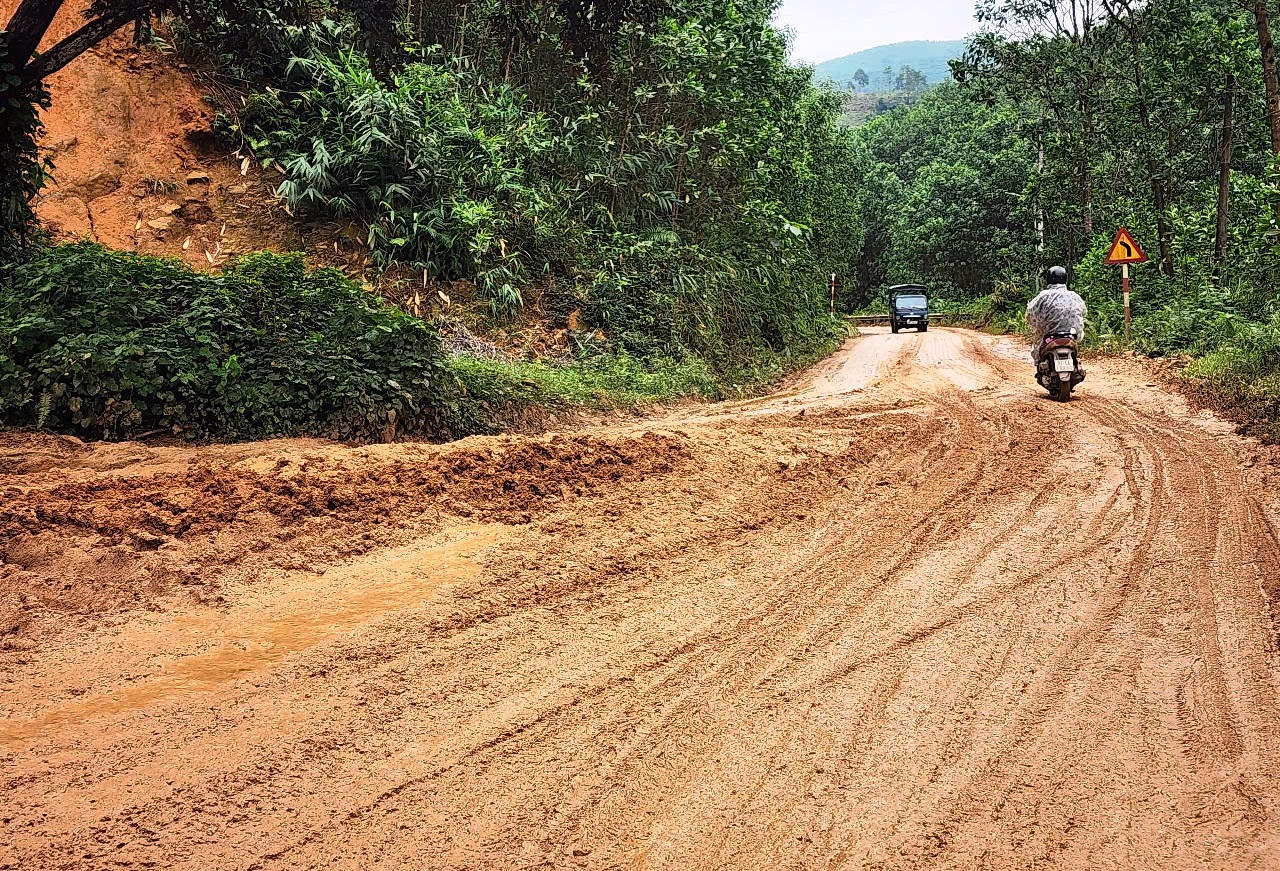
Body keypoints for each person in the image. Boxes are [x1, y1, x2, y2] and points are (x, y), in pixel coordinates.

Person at [1025, 266, 1087, 353]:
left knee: (1038, 350)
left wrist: (1035, 325)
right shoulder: (1074, 296)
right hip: (1071, 337)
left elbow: (1031, 313)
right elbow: (1083, 312)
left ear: (1049, 279)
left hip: (1049, 338)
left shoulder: (1043, 296)